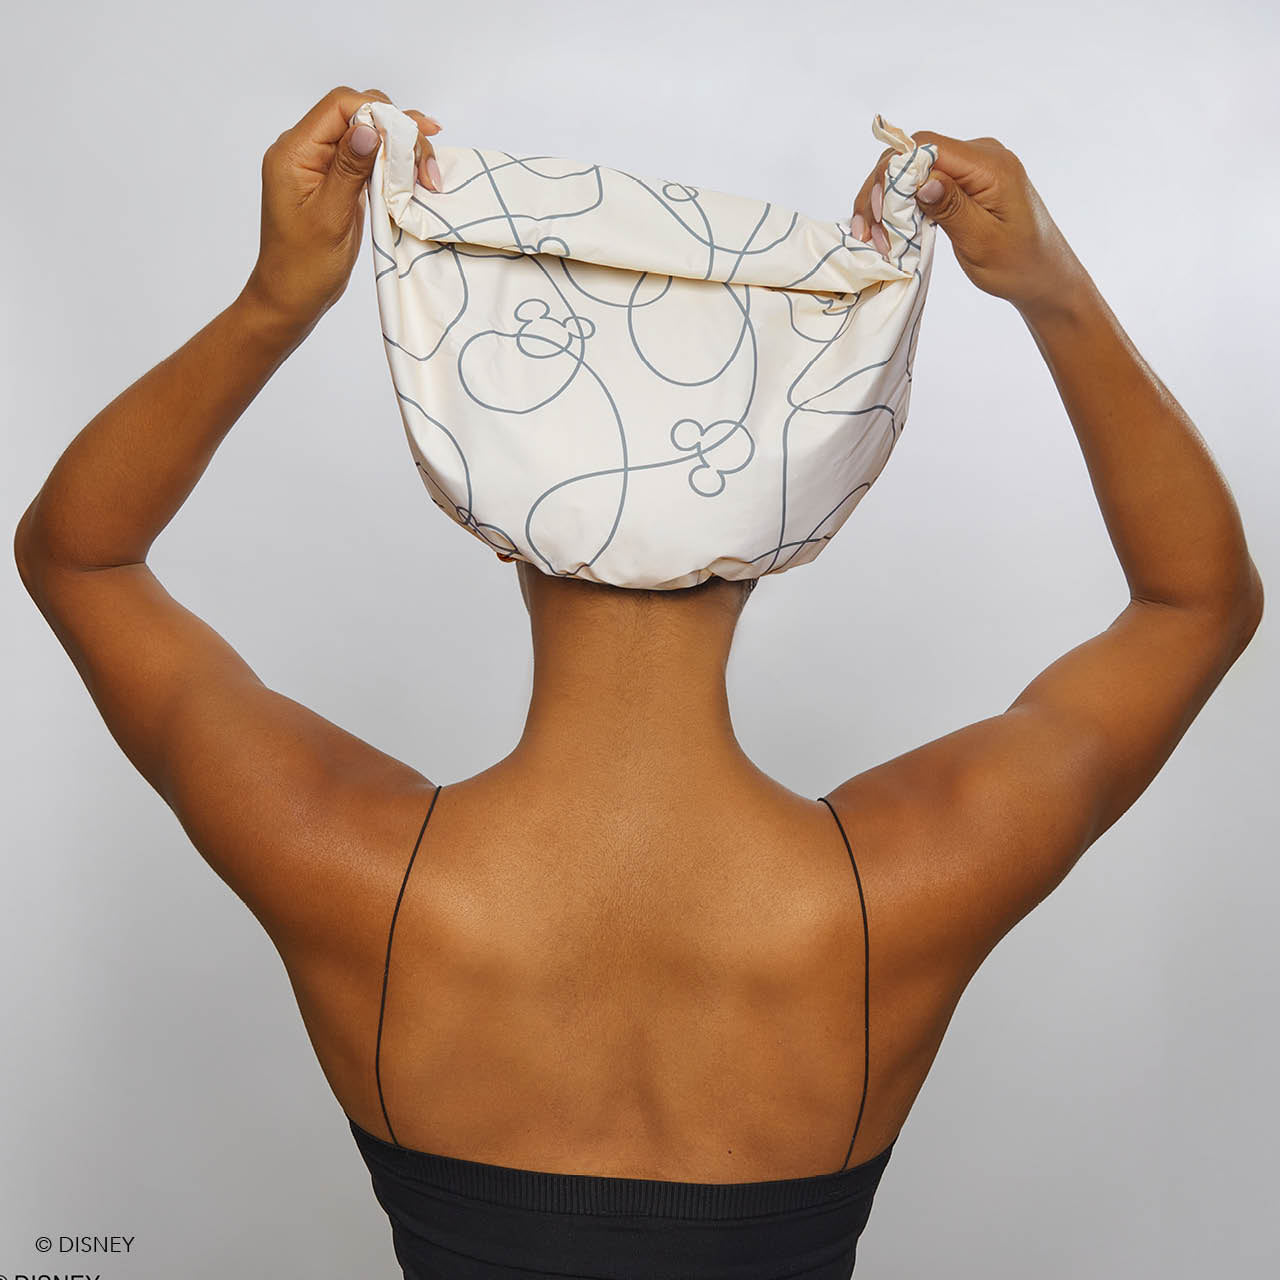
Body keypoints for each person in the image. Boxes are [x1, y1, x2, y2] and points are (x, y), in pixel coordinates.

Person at [14, 86, 1263, 1279]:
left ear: (500, 512)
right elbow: (1195, 603)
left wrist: (276, 301)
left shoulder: (350, 869)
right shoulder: (896, 892)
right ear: (787, 520)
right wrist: (1051, 287)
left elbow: (79, 556)